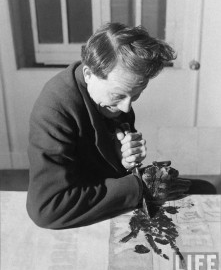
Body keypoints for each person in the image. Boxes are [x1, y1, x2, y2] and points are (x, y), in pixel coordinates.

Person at [27, 22, 190, 229]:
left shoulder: (116, 94)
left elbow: (102, 170)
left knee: (202, 188)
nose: (126, 107)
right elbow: (47, 209)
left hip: (98, 200)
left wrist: (123, 162)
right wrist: (139, 188)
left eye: (136, 94)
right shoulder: (54, 110)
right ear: (88, 74)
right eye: (118, 95)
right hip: (78, 217)